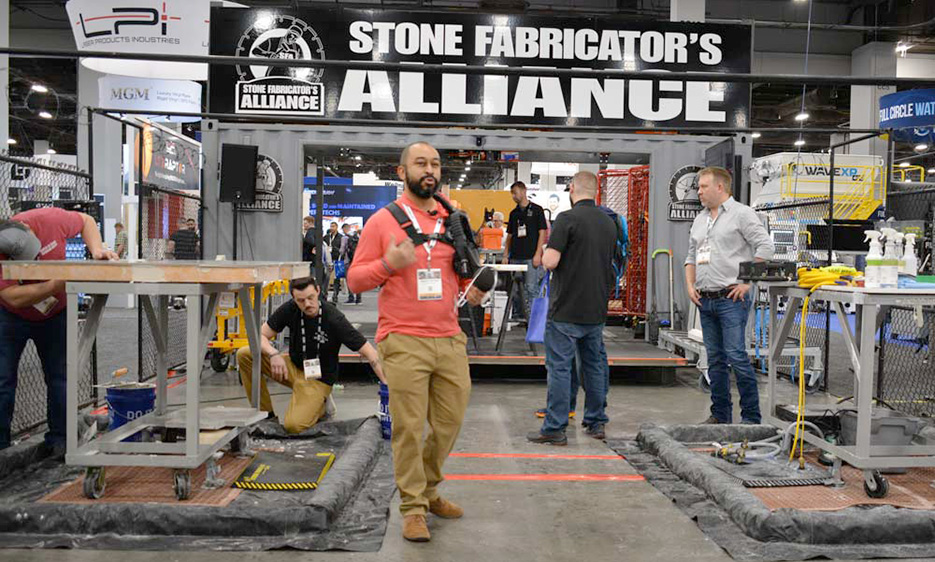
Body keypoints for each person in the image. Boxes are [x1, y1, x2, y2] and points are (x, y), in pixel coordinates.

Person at [348, 141, 485, 543]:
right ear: (401, 171)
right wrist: (390, 264)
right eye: (420, 163)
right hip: (403, 339)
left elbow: (460, 271)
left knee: (449, 423)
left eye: (435, 164)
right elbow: (354, 280)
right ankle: (412, 508)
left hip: (449, 337)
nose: (430, 170)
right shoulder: (382, 222)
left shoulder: (452, 219)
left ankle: (427, 490)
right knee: (409, 428)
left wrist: (471, 289)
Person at [0, 208, 118, 453]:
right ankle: (1, 447)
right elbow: (11, 297)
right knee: (3, 380)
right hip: (10, 316)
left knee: (60, 378)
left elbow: (86, 221)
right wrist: (55, 284)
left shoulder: (49, 220)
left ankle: (61, 441)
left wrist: (96, 250)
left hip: (55, 314)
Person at [528, 171, 616, 445]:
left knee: (560, 368)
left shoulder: (566, 219)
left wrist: (543, 248)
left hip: (566, 308)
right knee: (594, 366)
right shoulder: (609, 222)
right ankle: (596, 421)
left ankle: (555, 427)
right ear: (596, 190)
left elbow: (551, 262)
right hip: (596, 307)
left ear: (573, 189)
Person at [236, 276, 384, 434]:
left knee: (294, 426)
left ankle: (320, 403)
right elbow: (260, 335)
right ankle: (266, 415)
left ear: (318, 291)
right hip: (293, 367)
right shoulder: (291, 308)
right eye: (300, 300)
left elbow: (371, 354)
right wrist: (273, 354)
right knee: (245, 354)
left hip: (318, 379)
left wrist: (387, 385)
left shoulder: (334, 319)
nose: (307, 304)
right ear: (293, 298)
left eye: (310, 298)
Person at [685, 166, 774, 425]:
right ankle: (720, 415)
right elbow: (691, 255)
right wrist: (690, 285)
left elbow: (765, 246)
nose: (699, 191)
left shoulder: (742, 214)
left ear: (720, 187)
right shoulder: (700, 219)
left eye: (703, 187)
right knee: (715, 360)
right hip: (705, 299)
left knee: (736, 356)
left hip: (732, 299)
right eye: (699, 187)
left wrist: (748, 281)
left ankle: (751, 419)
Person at [502, 181, 548, 322]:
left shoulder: (537, 210)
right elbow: (509, 236)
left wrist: (538, 253)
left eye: (515, 193)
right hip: (515, 257)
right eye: (512, 194)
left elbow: (542, 233)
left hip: (531, 257)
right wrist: (505, 255)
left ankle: (534, 319)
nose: (514, 196)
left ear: (523, 191)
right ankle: (519, 317)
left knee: (531, 288)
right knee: (515, 290)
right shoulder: (514, 213)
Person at [323, 222, 344, 304]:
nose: (332, 228)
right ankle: (325, 294)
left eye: (333, 226)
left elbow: (342, 248)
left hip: (337, 259)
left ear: (337, 227)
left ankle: (335, 295)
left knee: (337, 278)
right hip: (328, 260)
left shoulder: (340, 237)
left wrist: (335, 249)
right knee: (327, 277)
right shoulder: (326, 237)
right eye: (331, 226)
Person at [340, 223, 361, 305]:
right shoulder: (357, 236)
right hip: (357, 261)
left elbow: (342, 250)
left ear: (344, 229)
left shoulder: (344, 237)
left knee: (349, 279)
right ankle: (359, 299)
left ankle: (351, 298)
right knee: (358, 279)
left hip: (348, 261)